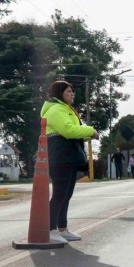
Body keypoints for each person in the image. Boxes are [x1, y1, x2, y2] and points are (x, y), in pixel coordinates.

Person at [41, 81, 98, 243]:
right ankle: (51, 230)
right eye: (68, 91)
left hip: (69, 156)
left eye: (72, 91)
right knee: (60, 193)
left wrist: (88, 135)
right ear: (59, 93)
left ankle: (62, 228)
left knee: (66, 194)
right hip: (60, 157)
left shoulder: (66, 109)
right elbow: (68, 131)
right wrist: (91, 131)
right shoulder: (55, 110)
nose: (72, 94)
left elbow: (73, 133)